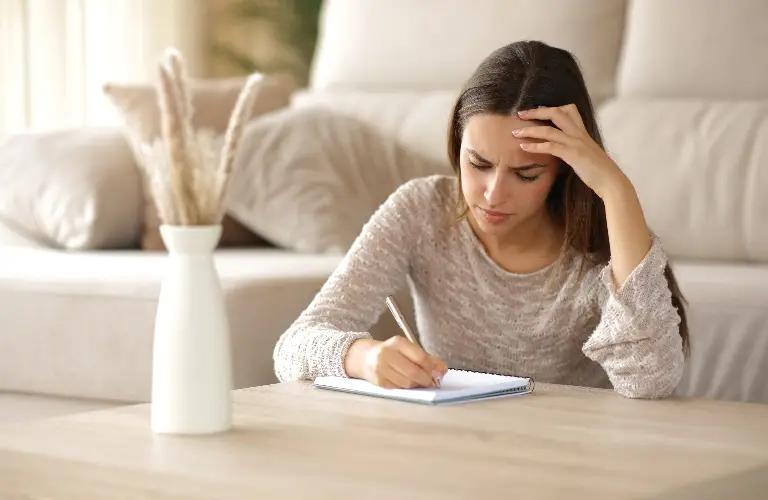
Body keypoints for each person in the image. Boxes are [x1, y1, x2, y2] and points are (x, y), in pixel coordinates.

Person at [273, 40, 689, 399]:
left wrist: (616, 190)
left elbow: (650, 381)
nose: (492, 194)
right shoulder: (421, 210)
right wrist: (361, 357)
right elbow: (293, 348)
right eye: (478, 164)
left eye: (526, 174)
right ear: (457, 145)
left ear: (564, 168)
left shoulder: (605, 243)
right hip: (451, 451)